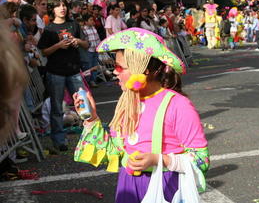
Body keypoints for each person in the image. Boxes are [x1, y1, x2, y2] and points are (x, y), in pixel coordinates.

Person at [73, 27, 209, 202]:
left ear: (142, 70)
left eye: (120, 67)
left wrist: (159, 160)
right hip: (129, 186)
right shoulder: (127, 102)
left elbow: (201, 160)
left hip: (165, 187)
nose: (115, 72)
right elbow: (114, 152)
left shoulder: (178, 105)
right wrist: (91, 118)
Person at [37, 0, 88, 151]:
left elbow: (86, 44)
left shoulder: (74, 25)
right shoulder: (49, 29)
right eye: (58, 6)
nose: (62, 8)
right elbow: (44, 52)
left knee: (83, 106)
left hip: (74, 71)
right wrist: (59, 45)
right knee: (57, 108)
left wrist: (77, 41)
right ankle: (60, 140)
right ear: (53, 10)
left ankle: (90, 137)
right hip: (55, 73)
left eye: (64, 5)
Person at [82, 13, 101, 87]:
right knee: (88, 66)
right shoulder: (84, 29)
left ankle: (93, 80)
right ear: (86, 22)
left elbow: (97, 38)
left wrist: (99, 46)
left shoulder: (94, 28)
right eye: (90, 20)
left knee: (95, 65)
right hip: (89, 50)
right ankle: (87, 81)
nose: (92, 21)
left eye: (92, 20)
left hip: (95, 49)